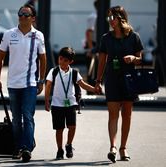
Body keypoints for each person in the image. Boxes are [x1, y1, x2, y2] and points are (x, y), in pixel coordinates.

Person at [0, 4, 46, 162]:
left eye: (26, 15)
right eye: (20, 14)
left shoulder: (38, 36)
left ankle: (26, 148)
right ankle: (17, 147)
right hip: (13, 84)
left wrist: (41, 80)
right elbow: (0, 57)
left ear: (33, 18)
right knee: (16, 119)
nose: (22, 16)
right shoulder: (9, 34)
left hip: (30, 83)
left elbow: (43, 59)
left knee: (28, 116)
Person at [94, 6, 143, 163]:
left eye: (112, 17)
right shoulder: (106, 38)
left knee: (127, 115)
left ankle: (123, 147)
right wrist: (98, 80)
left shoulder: (134, 37)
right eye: (108, 18)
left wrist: (133, 58)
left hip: (129, 80)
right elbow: (102, 61)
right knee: (113, 114)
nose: (110, 20)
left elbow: (140, 58)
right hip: (112, 80)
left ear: (120, 18)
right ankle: (113, 147)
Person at [45, 47, 96, 159]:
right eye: (61, 59)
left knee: (72, 126)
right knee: (59, 129)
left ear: (70, 62)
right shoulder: (53, 72)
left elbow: (82, 84)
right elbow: (48, 86)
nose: (62, 62)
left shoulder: (74, 73)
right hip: (57, 104)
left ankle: (69, 144)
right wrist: (47, 101)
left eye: (65, 60)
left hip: (71, 104)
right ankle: (59, 150)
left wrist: (94, 89)